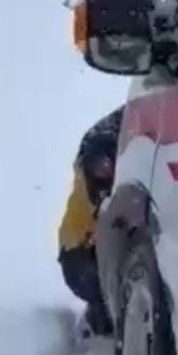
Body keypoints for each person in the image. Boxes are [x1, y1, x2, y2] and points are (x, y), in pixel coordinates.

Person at [57, 106, 124, 337]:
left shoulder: (129, 126)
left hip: (90, 251)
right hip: (84, 254)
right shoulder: (106, 143)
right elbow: (107, 207)